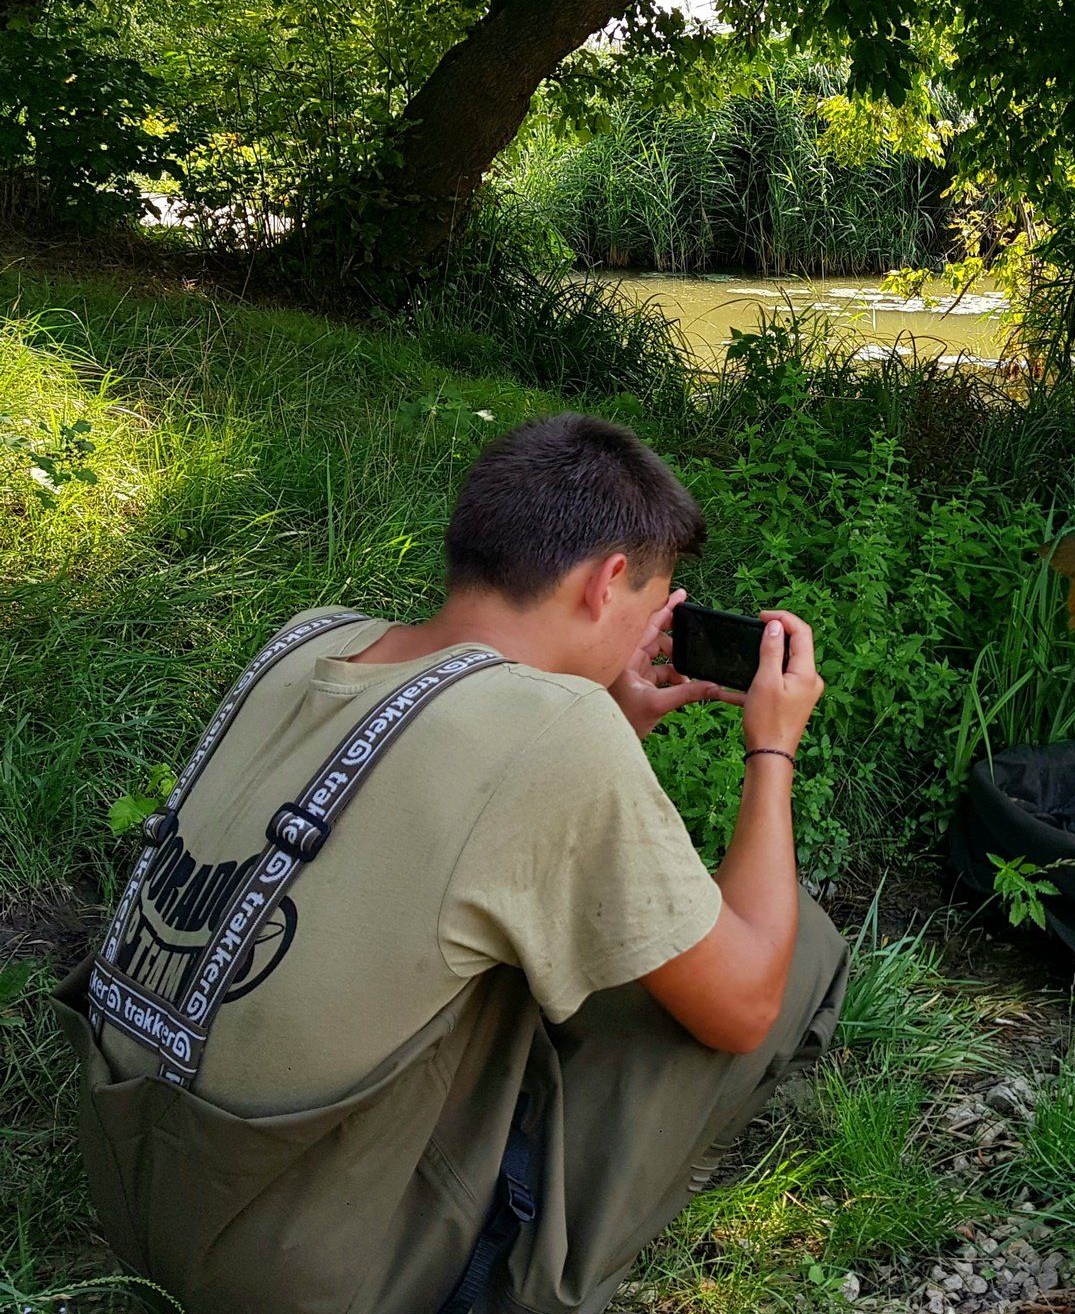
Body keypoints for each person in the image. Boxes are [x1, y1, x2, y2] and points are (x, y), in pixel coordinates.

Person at [54, 413, 846, 1314]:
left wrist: (613, 717)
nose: (646, 637)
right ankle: (529, 1265)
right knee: (796, 954)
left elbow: (453, 829)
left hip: (137, 1186)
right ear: (608, 581)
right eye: (653, 606)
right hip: (304, 1274)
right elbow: (744, 1003)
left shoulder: (312, 638)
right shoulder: (553, 733)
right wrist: (771, 750)